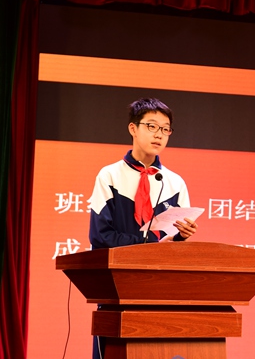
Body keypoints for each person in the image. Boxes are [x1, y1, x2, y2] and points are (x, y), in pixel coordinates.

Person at [87, 97, 197, 359]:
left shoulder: (175, 182)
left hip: (158, 290)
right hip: (117, 287)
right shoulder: (110, 176)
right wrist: (149, 246)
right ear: (133, 129)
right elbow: (101, 236)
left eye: (165, 129)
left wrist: (182, 236)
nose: (159, 134)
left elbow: (173, 244)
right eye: (152, 126)